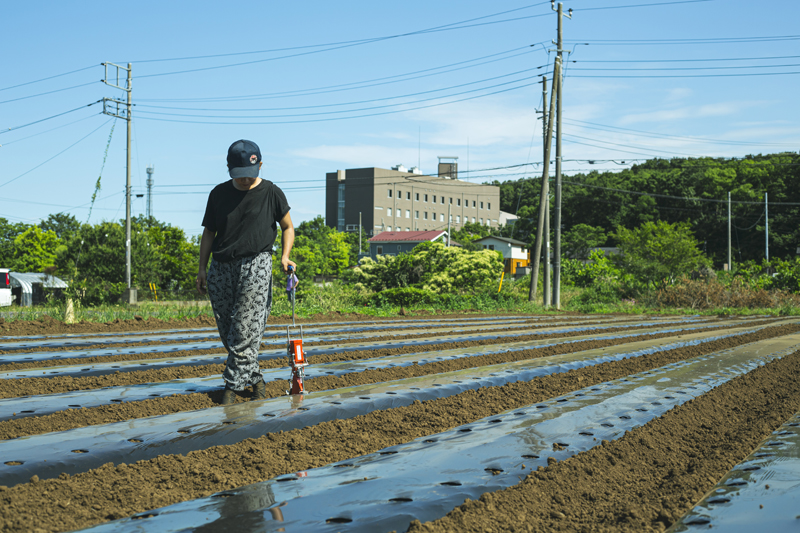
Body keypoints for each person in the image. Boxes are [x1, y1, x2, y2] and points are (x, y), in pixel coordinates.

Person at [197, 139, 295, 405]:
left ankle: (230, 388)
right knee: (231, 332)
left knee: (244, 329)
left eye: (249, 174)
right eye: (239, 175)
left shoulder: (271, 192)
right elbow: (209, 232)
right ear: (229, 169)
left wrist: (285, 256)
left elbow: (287, 226)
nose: (244, 180)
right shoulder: (218, 194)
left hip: (257, 263)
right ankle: (255, 378)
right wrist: (202, 269)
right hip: (221, 266)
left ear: (260, 165)